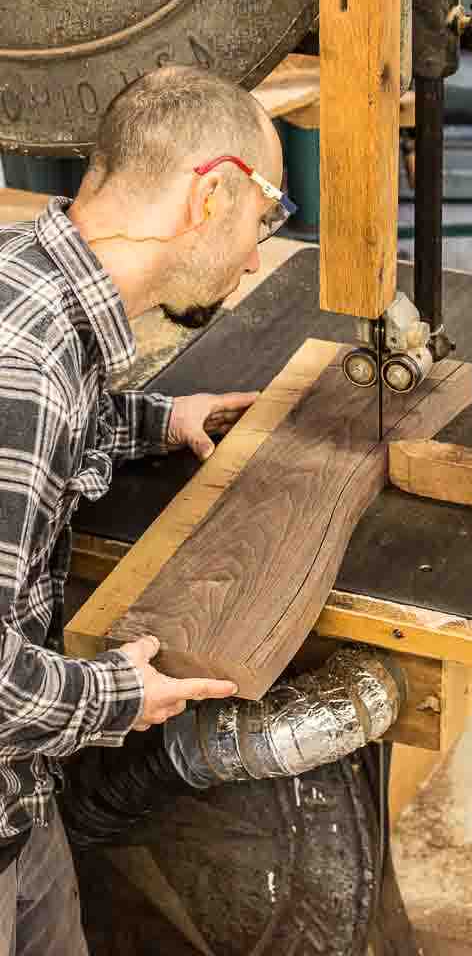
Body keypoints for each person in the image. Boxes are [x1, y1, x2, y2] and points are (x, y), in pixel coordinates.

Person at [0, 65, 291, 954]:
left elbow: (46, 425)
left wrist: (160, 419)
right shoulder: (25, 371)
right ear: (211, 196)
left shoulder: (29, 278)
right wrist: (120, 696)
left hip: (20, 803)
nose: (254, 257)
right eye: (263, 217)